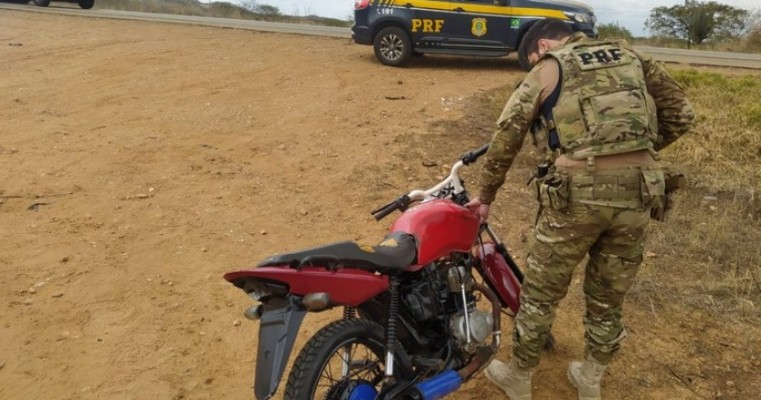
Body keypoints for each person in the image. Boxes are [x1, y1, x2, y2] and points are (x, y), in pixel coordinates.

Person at [465, 19, 695, 400]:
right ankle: (590, 379)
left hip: (577, 197)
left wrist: (486, 195)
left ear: (541, 45)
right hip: (639, 191)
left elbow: (508, 134)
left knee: (540, 292)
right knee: (608, 295)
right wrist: (633, 152)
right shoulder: (632, 55)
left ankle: (520, 377)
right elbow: (682, 114)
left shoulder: (549, 67)